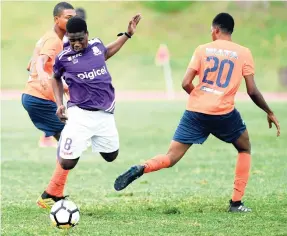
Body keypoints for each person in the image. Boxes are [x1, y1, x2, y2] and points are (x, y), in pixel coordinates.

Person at [113, 13, 280, 213]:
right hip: (223, 113)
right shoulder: (244, 53)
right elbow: (252, 91)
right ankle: (236, 203)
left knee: (171, 157)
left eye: (211, 30)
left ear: (216, 30)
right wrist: (269, 112)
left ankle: (143, 166)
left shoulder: (202, 50)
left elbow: (184, 83)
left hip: (195, 111)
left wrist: (201, 98)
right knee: (244, 147)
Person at [36, 14, 142, 209]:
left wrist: (127, 34)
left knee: (111, 156)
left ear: (87, 34)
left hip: (105, 114)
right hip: (79, 114)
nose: (76, 43)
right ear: (67, 36)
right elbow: (55, 78)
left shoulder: (96, 46)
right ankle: (69, 143)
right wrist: (60, 103)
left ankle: (84, 139)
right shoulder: (63, 58)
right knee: (67, 162)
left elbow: (107, 52)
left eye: (80, 38)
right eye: (72, 39)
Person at [23, 2, 76, 148]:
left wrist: (62, 86)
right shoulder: (54, 41)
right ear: (56, 19)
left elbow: (30, 64)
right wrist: (40, 73)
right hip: (38, 98)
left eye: (74, 17)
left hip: (35, 96)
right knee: (70, 142)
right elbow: (40, 61)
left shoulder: (48, 37)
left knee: (68, 144)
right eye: (68, 17)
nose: (72, 21)